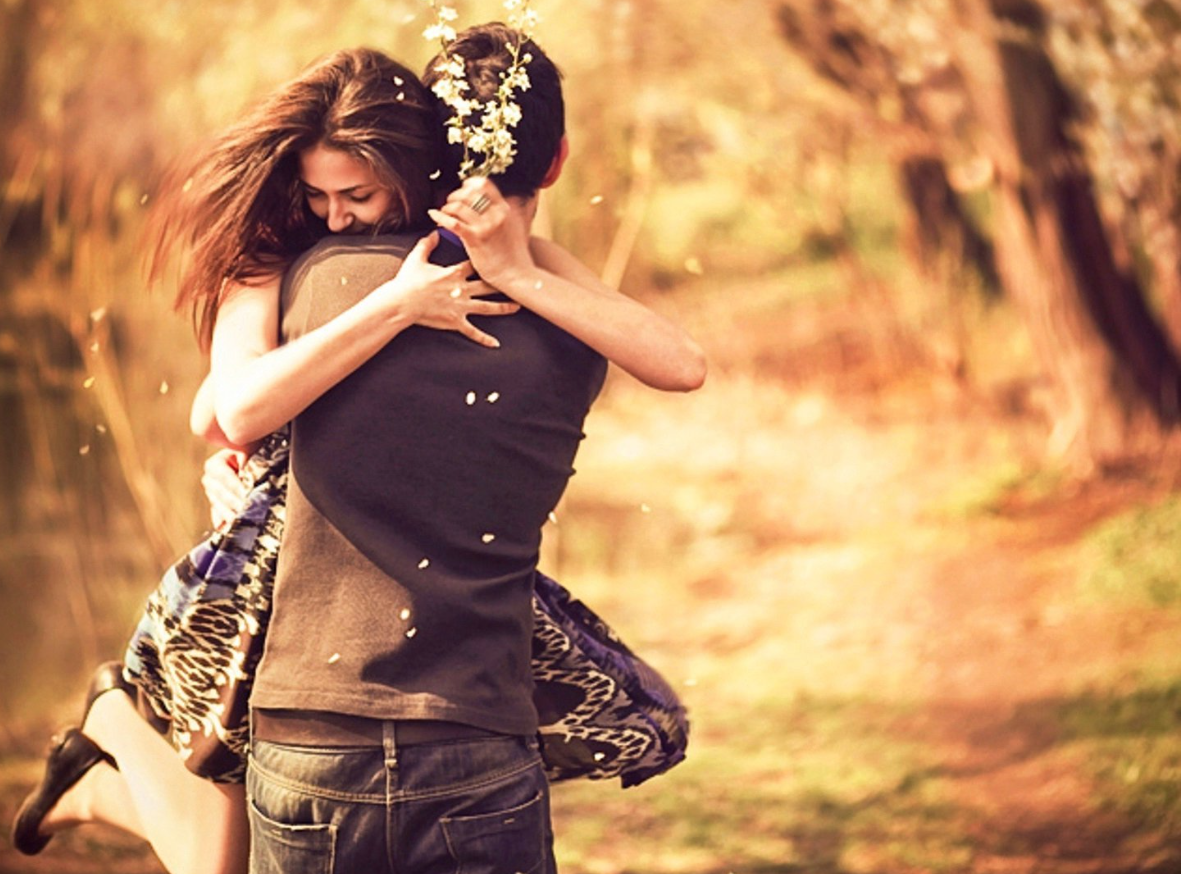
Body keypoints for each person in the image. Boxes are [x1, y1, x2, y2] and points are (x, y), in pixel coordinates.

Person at [13, 32, 703, 874]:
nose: (336, 215)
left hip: (353, 667)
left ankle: (99, 767)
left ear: (419, 168)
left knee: (217, 859)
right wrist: (391, 314)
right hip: (277, 599)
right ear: (557, 160)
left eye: (357, 194)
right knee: (217, 855)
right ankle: (111, 736)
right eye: (318, 195)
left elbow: (681, 363)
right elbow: (219, 412)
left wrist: (513, 275)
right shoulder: (284, 253)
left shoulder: (501, 269)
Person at [240, 22, 702, 874]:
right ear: (556, 160)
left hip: (309, 732)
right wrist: (522, 275)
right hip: (475, 736)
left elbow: (228, 413)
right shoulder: (569, 317)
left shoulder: (317, 280)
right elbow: (682, 365)